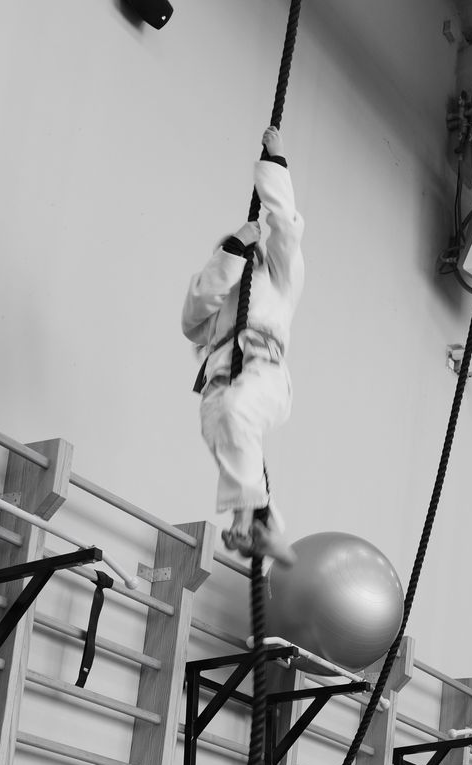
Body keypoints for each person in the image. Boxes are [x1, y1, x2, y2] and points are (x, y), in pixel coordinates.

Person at [182, 127, 303, 568]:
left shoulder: (280, 280)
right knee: (225, 431)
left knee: (236, 414)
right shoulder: (219, 306)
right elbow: (192, 317)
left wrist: (275, 163)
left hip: (264, 371)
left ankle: (244, 518)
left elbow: (285, 226)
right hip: (220, 381)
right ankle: (265, 527)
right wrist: (232, 252)